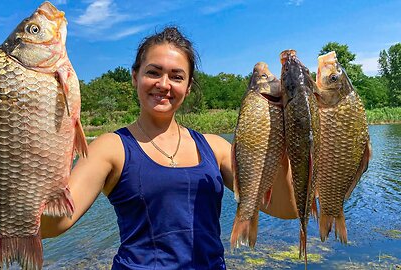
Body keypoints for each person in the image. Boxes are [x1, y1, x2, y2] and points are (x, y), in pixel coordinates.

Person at [41, 26, 297, 269]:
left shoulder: (216, 148)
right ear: (135, 76)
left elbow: (285, 209)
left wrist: (279, 141)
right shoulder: (110, 148)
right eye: (153, 72)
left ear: (187, 86)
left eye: (176, 76)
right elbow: (55, 224)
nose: (164, 84)